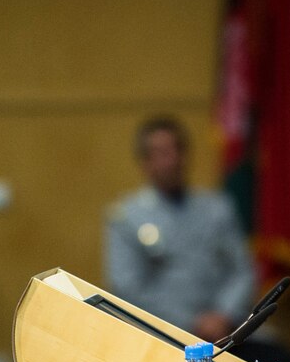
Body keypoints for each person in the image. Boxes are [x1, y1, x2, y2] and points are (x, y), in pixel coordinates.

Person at [105, 116, 256, 343]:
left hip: (227, 331)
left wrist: (223, 314)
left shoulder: (217, 209)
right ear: (145, 162)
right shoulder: (127, 217)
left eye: (177, 150)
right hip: (162, 335)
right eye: (162, 153)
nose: (172, 160)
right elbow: (128, 289)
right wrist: (191, 322)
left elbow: (242, 270)